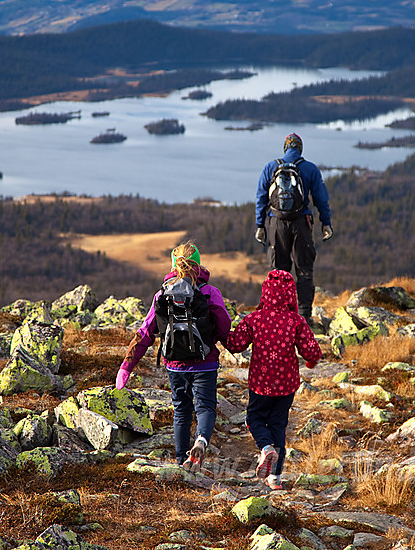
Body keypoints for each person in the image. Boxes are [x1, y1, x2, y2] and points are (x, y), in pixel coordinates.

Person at [115, 241, 231, 473]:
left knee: (181, 410)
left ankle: (180, 462)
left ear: (173, 265)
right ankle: (201, 442)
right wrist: (225, 342)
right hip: (205, 363)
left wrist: (126, 367)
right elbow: (225, 326)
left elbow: (145, 332)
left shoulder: (162, 294)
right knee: (206, 407)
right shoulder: (209, 292)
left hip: (175, 365)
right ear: (198, 264)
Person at [225, 269, 322, 490]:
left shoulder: (254, 319)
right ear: (291, 295)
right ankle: (276, 478)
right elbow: (312, 351)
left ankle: (266, 448)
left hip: (260, 383)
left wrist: (220, 330)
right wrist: (309, 362)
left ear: (265, 293)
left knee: (254, 418)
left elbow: (235, 344)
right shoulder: (295, 321)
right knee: (278, 425)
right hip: (286, 385)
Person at [255, 132, 332, 324]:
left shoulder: (270, 167)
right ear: (300, 149)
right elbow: (321, 199)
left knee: (278, 270)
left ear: (285, 148)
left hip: (276, 223)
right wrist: (326, 223)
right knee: (304, 269)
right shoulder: (310, 169)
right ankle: (304, 316)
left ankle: (277, 315)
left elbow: (261, 197)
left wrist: (260, 225)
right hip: (302, 224)